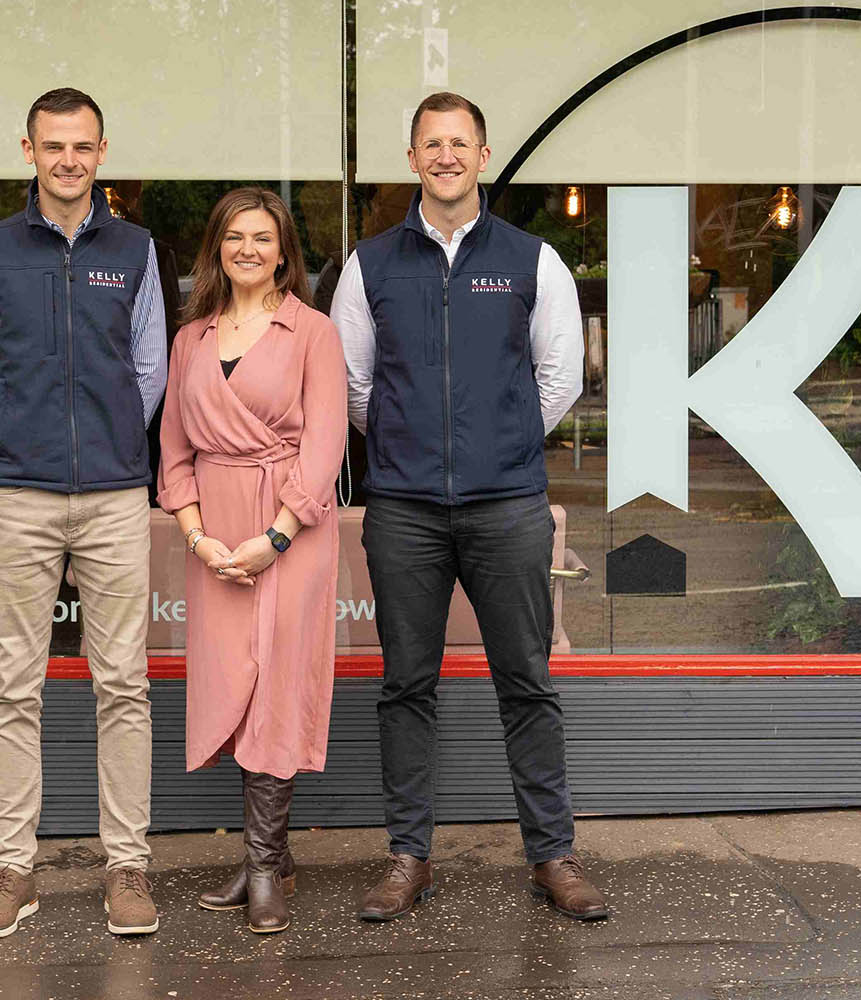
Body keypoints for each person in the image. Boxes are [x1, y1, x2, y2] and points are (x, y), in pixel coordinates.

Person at [329, 91, 608, 922]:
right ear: (412, 158)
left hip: (508, 505)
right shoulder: (370, 265)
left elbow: (559, 378)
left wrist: (499, 441)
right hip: (405, 510)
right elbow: (352, 384)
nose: (446, 156)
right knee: (406, 686)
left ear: (483, 156)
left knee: (527, 682)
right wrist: (411, 443)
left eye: (460, 143)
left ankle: (552, 856)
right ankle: (407, 857)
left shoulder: (532, 259)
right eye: (432, 143)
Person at [0, 87, 167, 939]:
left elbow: (148, 370)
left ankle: (127, 866)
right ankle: (12, 868)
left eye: (82, 146)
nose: (68, 160)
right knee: (14, 686)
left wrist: (105, 445)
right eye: (53, 146)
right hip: (20, 496)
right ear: (29, 151)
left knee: (124, 685)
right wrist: (18, 445)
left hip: (114, 495)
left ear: (101, 152)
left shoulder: (136, 249)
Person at [156, 188, 347, 934]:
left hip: (290, 527)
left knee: (277, 681)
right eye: (235, 237)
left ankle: (263, 866)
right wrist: (198, 538)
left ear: (283, 251)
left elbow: (326, 445)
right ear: (217, 248)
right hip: (214, 531)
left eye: (262, 237)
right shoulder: (190, 340)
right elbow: (174, 452)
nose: (248, 249)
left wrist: (275, 538)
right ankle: (272, 856)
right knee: (235, 678)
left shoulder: (313, 332)